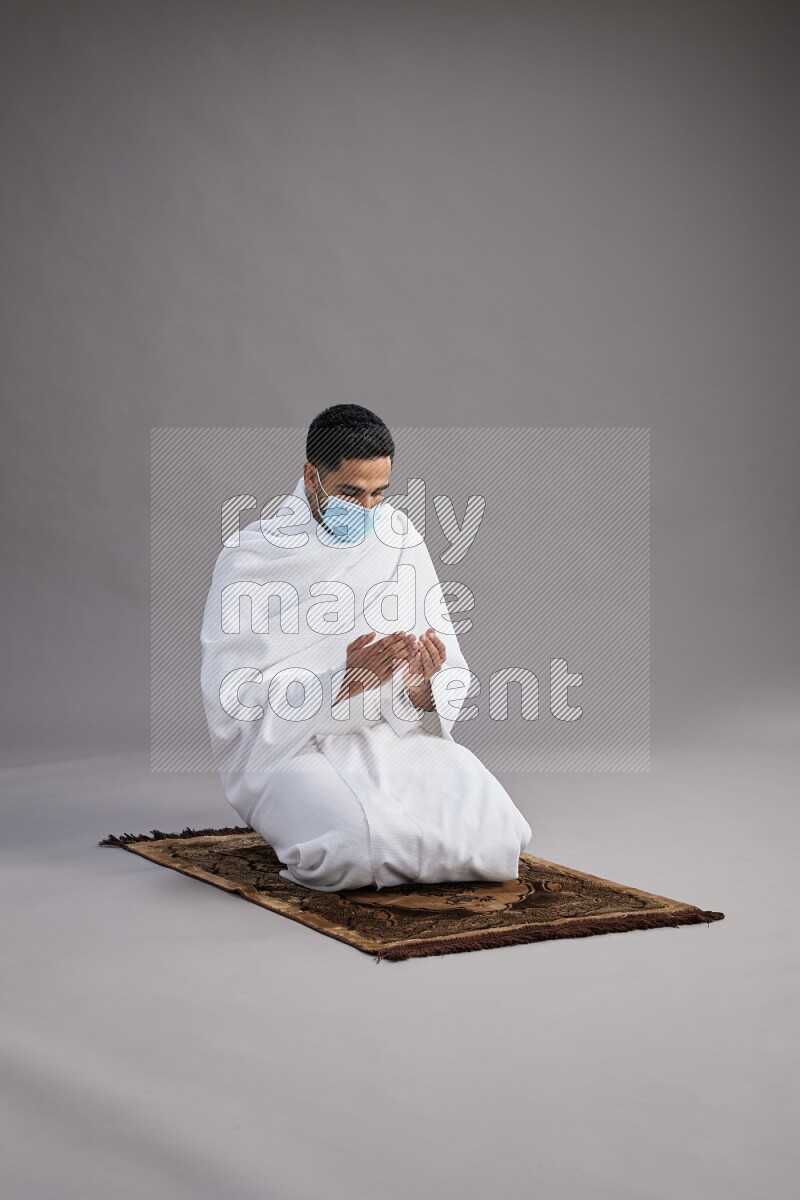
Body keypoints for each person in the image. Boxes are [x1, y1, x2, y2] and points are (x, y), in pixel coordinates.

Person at [200, 405, 532, 891]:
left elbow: (441, 676)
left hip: (389, 733)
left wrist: (423, 684)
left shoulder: (397, 538)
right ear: (311, 476)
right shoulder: (252, 557)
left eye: (379, 492)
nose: (368, 508)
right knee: (351, 850)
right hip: (290, 748)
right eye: (350, 492)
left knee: (499, 831)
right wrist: (338, 683)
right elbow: (235, 703)